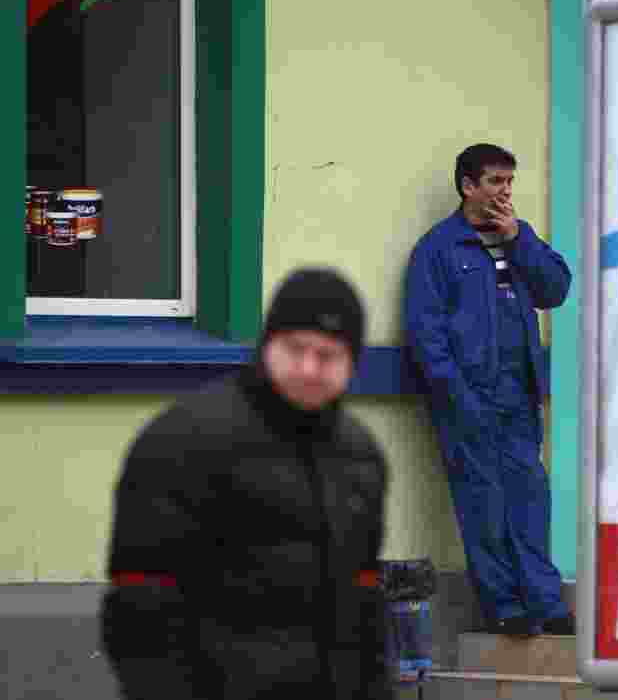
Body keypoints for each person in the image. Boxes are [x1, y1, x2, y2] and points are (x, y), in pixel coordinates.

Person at [100, 267, 393, 700]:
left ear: (351, 364)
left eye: (328, 355)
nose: (309, 368)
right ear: (267, 345)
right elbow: (141, 606)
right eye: (296, 349)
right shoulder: (185, 439)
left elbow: (364, 605)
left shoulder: (361, 457)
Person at [404, 143, 575, 636]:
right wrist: (455, 393)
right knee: (482, 502)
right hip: (467, 397)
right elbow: (426, 334)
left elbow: (556, 290)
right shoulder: (439, 250)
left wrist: (519, 239)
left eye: (509, 182)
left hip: (517, 395)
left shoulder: (518, 238)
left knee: (529, 498)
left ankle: (546, 602)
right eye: (496, 182)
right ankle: (504, 605)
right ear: (468, 186)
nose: (505, 192)